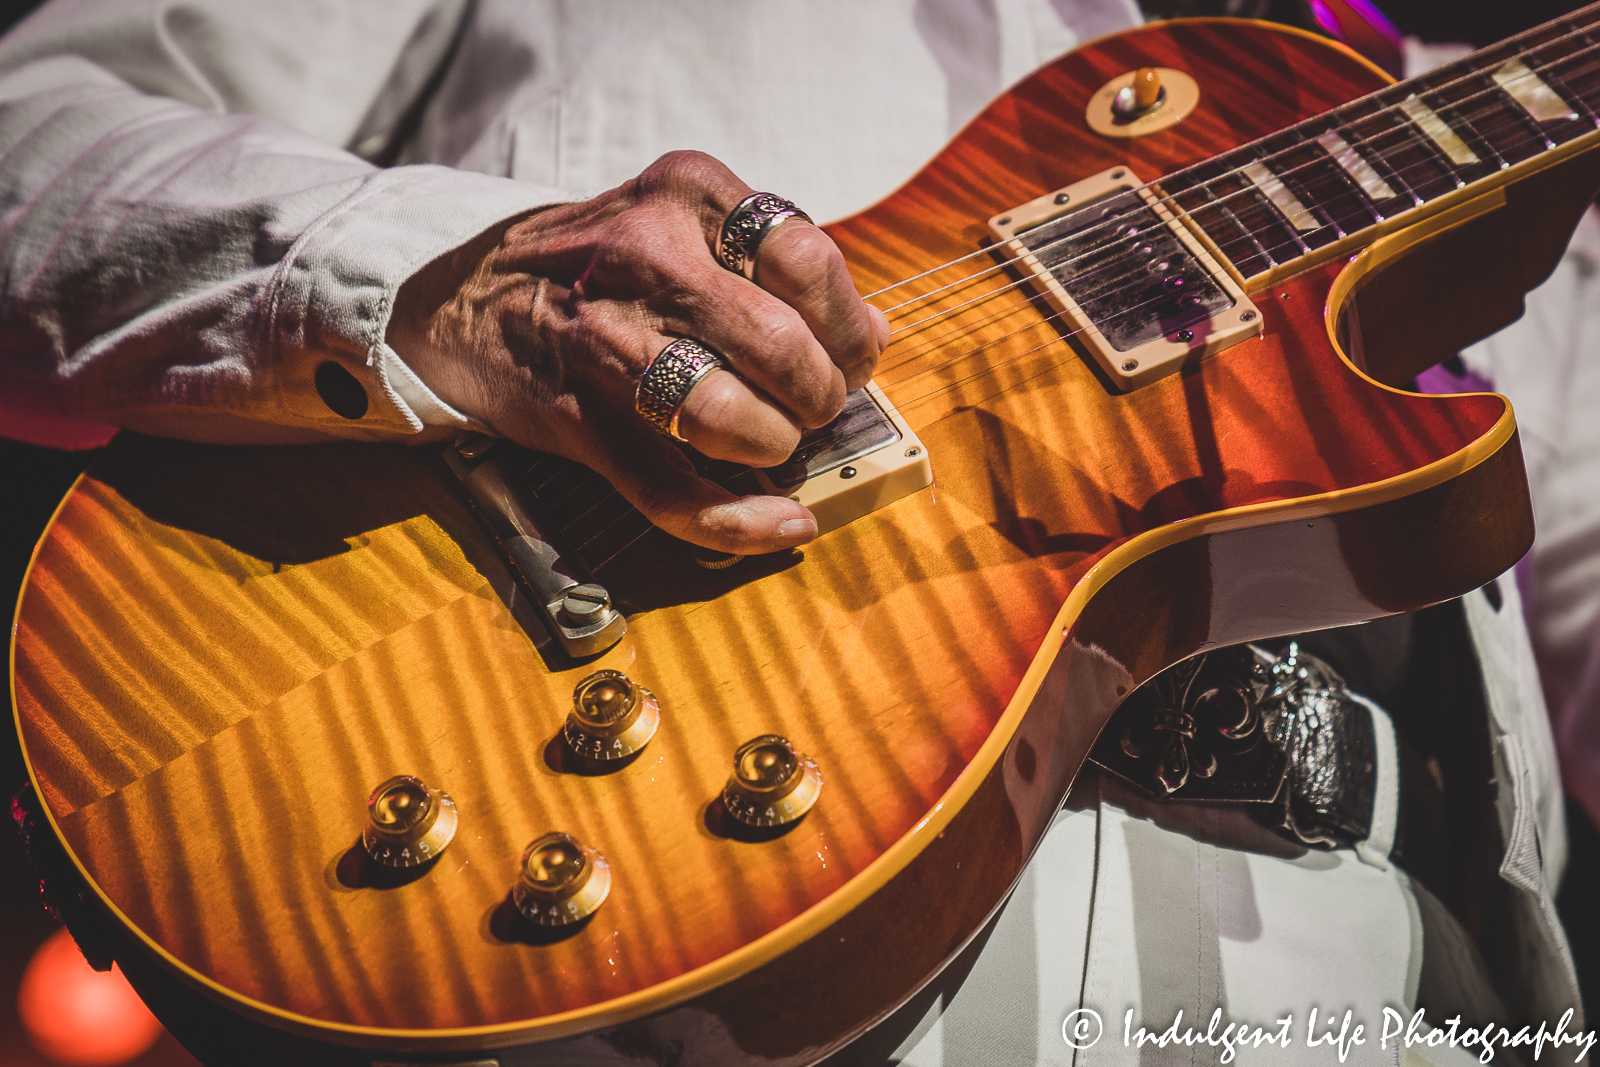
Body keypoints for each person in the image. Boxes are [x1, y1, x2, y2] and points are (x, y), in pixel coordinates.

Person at [0, 2, 1585, 1064]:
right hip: (706, 915)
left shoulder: (1392, 101)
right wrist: (470, 281)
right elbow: (29, 137)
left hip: (1401, 992)